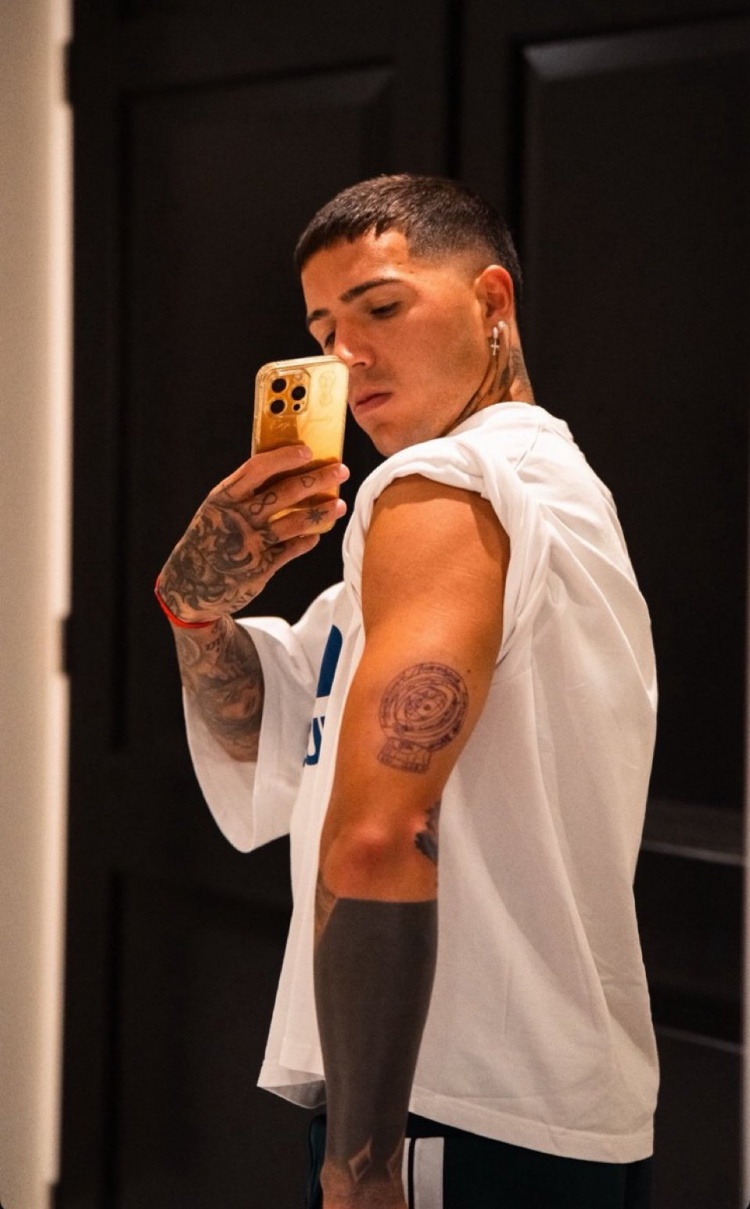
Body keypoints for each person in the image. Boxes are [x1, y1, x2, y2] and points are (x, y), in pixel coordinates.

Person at [156, 175, 658, 1209]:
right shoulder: (537, 489)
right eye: (322, 332)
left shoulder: (440, 491)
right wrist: (194, 607)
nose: (346, 357)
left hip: (444, 1109)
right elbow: (272, 740)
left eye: (381, 308)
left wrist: (361, 1164)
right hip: (543, 1108)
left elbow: (380, 833)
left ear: (491, 300)